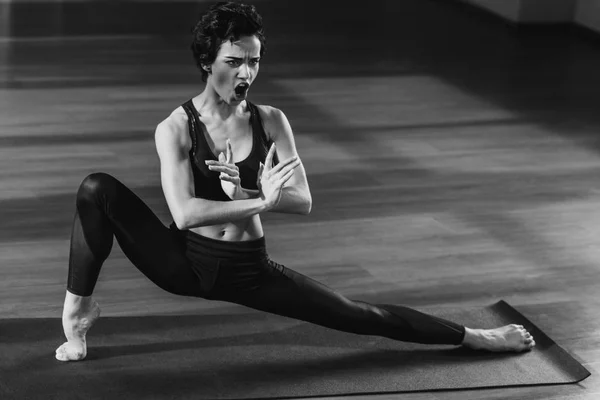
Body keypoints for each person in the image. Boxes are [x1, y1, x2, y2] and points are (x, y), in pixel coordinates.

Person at [55, 1, 535, 362]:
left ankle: (474, 337)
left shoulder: (271, 121)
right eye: (235, 61)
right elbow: (184, 214)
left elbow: (302, 200)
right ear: (207, 62)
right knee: (96, 189)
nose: (247, 73)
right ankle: (78, 312)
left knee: (362, 315)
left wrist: (251, 198)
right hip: (183, 263)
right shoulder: (176, 127)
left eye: (255, 61)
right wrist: (259, 200)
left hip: (248, 268)